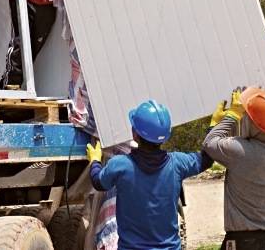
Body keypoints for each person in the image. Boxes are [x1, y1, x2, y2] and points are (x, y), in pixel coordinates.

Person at [87, 99, 213, 250]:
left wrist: (94, 160)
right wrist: (214, 127)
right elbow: (207, 159)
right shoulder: (178, 163)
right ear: (166, 136)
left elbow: (98, 182)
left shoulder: (120, 165)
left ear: (134, 134)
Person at [203, 87, 265, 250]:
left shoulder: (241, 152)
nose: (243, 119)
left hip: (242, 243)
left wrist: (231, 116)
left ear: (255, 125)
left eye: (246, 117)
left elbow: (209, 143)